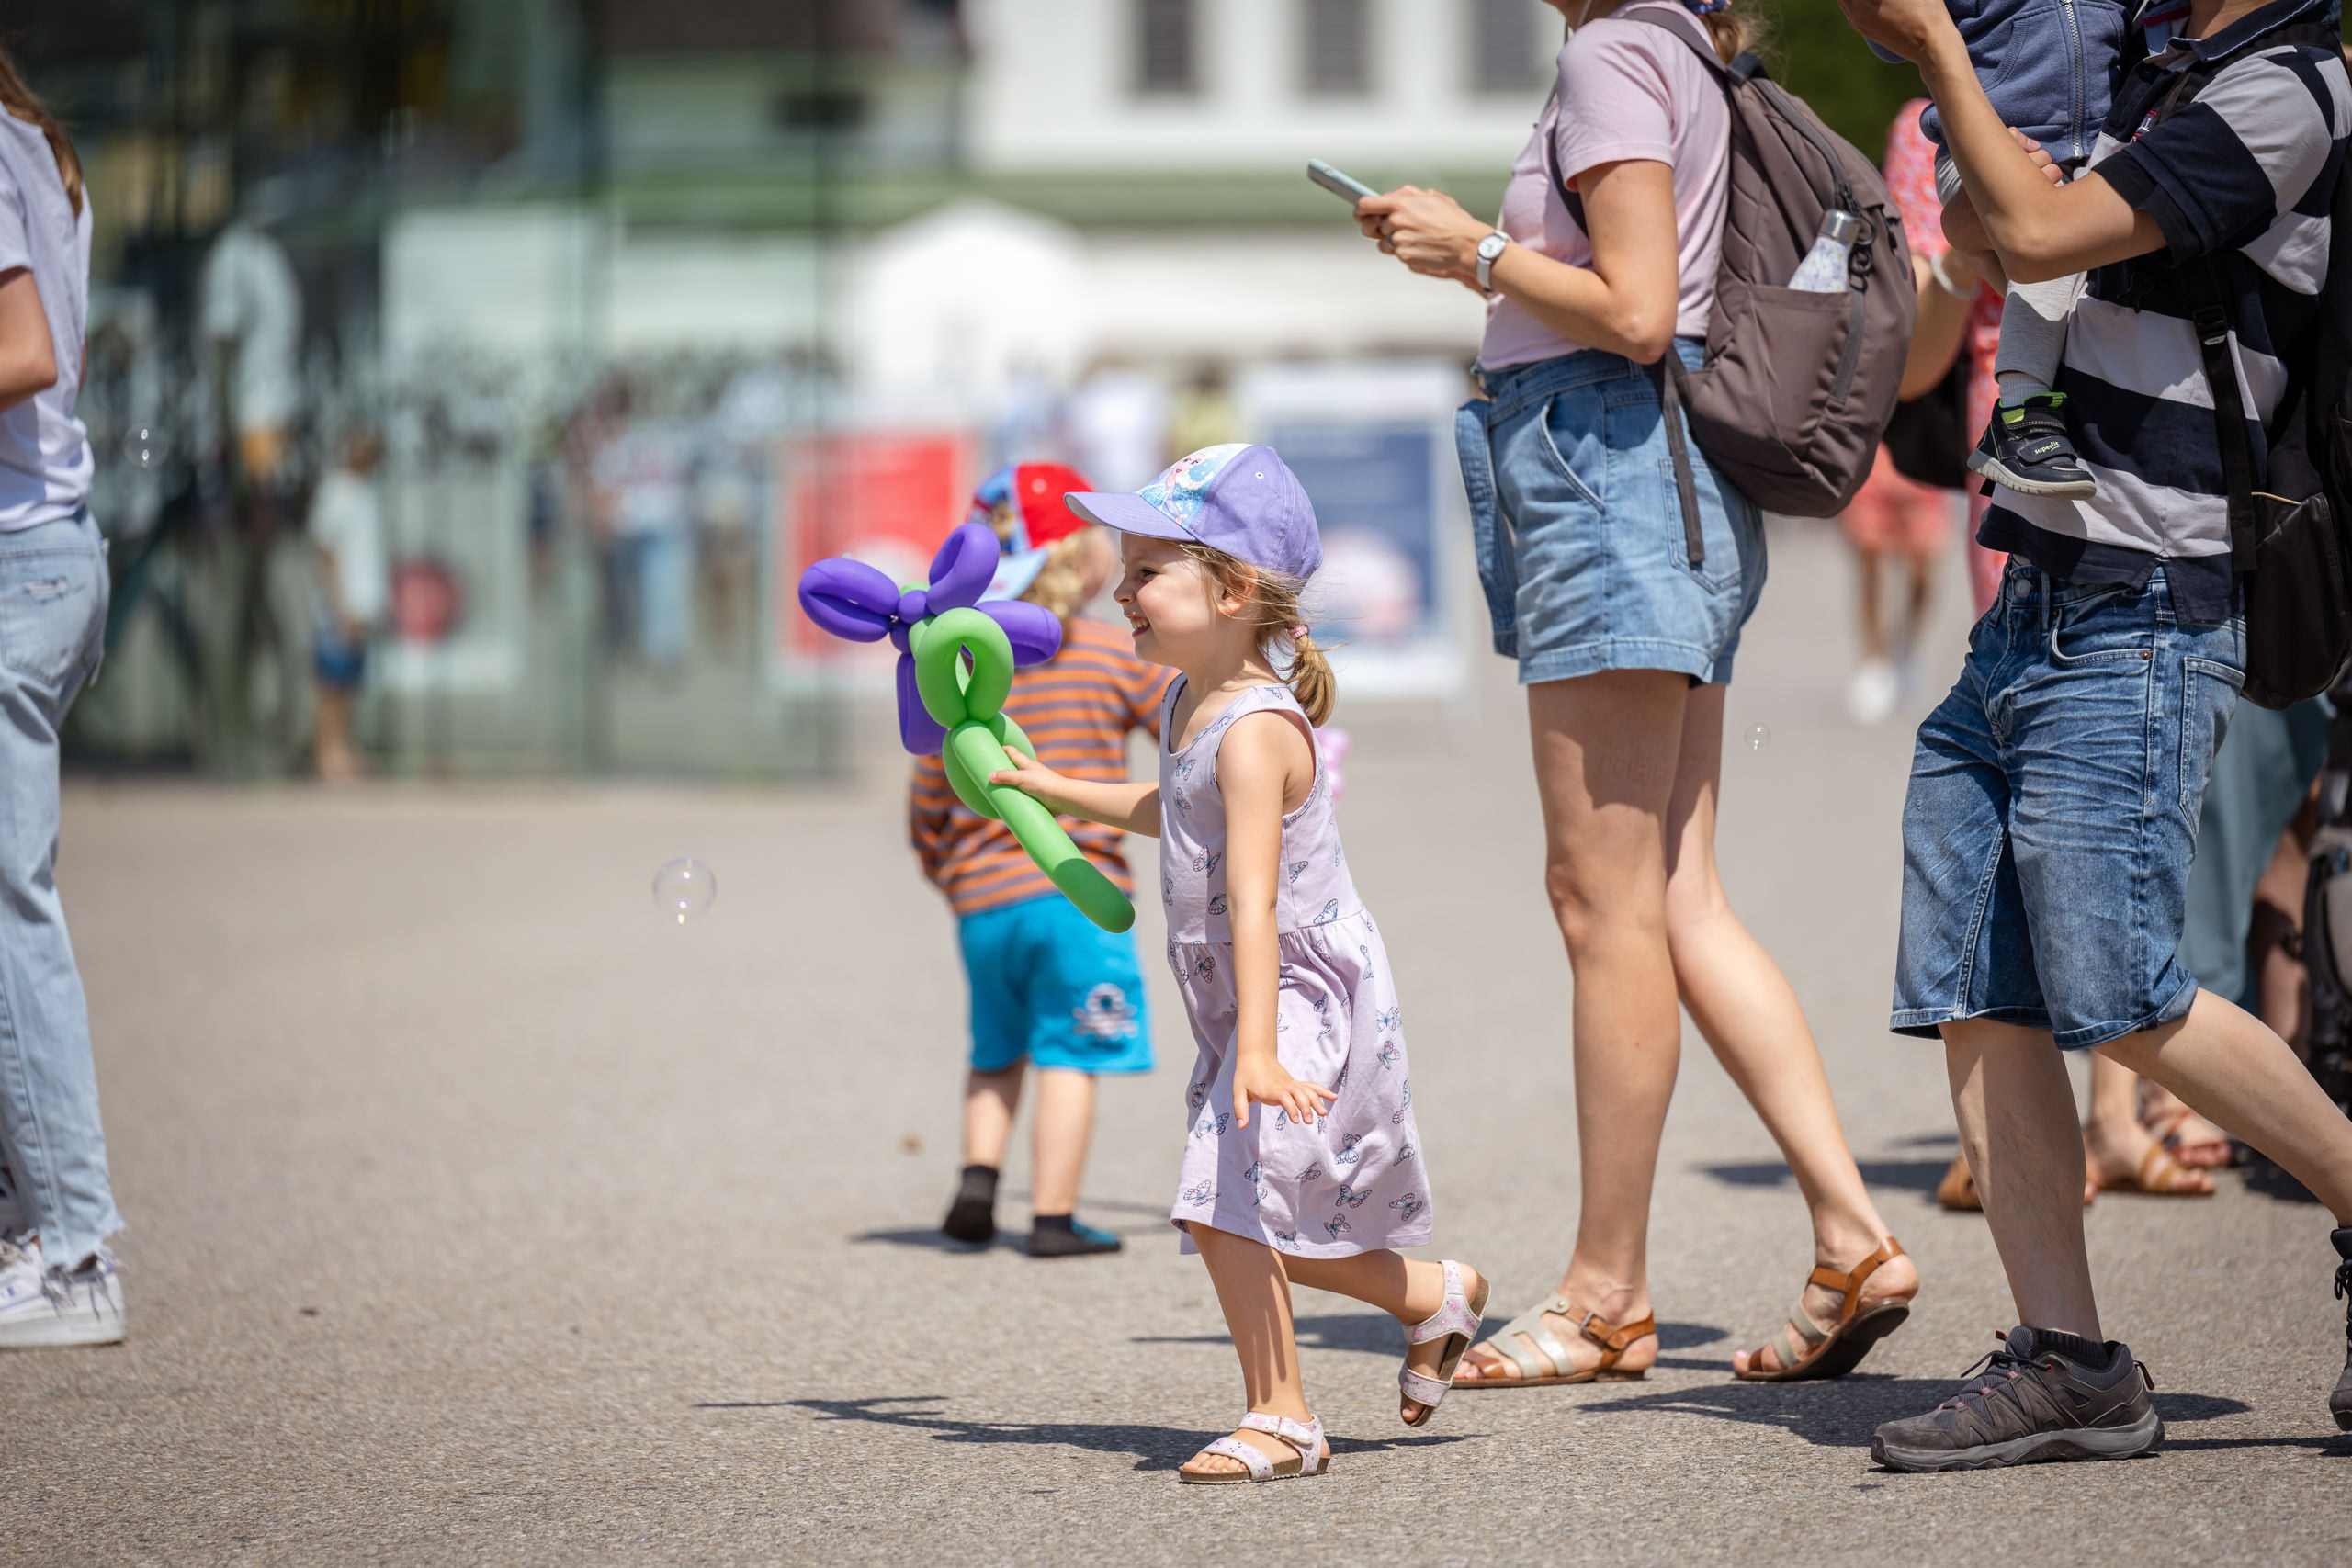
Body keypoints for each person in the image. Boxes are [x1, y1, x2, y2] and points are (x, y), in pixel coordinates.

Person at [1353, 0, 1918, 1389]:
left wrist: (1471, 251)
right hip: (1660, 490)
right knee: (1672, 891)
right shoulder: (1685, 55)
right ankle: (1850, 1233)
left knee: (1603, 898)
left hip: (1611, 482)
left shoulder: (1609, 54)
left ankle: (1608, 1290)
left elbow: (1639, 307)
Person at [1844, 0, 2352, 1466]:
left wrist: (1942, 48)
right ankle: (2070, 1357)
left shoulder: (2297, 85)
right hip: (2032, 592)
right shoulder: (2134, 63)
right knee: (1982, 983)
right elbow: (1990, 239)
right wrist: (1966, 111)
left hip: (2146, 597)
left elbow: (2049, 238)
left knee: (2122, 988)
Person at [991, 444, 1490, 1481]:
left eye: (1145, 573)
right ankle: (1433, 1294)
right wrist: (1046, 785)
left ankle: (1284, 1417)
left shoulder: (1256, 729)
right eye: (1124, 569)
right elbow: (1168, 812)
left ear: (1228, 590)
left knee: (1222, 1198)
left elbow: (1255, 899)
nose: (1120, 591)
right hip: (1240, 995)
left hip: (1292, 990)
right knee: (1272, 1210)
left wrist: (1256, 1049)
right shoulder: (1184, 702)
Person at [912, 463, 1170, 1258]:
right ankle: (1053, 1216)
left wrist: (949, 873)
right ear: (1083, 559)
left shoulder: (959, 672)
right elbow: (1188, 726)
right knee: (1068, 1050)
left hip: (982, 903)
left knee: (996, 1048)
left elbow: (928, 791)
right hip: (1072, 895)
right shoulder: (1108, 652)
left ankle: (978, 1181)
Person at [0, 45, 127, 1348]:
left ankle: (75, 1248)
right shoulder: (32, 143)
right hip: (49, 559)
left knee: (6, 899)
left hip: (15, 568)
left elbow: (23, 347)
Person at [307, 426, 387, 782]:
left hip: (361, 605)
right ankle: (327, 752)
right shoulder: (335, 491)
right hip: (340, 607)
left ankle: (343, 748)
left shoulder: (366, 491)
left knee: (348, 683)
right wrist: (339, 603)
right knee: (331, 684)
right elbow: (325, 551)